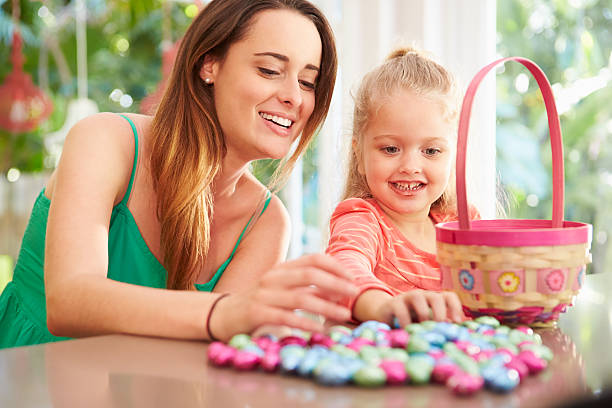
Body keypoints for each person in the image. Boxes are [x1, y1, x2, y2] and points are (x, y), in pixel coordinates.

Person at [0, 0, 358, 348]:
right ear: (209, 64)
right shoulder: (106, 141)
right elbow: (69, 301)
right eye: (269, 70)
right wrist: (227, 312)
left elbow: (203, 363)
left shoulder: (267, 222)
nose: (294, 97)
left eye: (308, 82)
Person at [326, 47, 479, 328]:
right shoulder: (362, 220)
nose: (410, 165)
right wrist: (385, 307)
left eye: (431, 151)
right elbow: (344, 269)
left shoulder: (463, 224)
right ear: (359, 155)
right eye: (391, 148)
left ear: (453, 155)